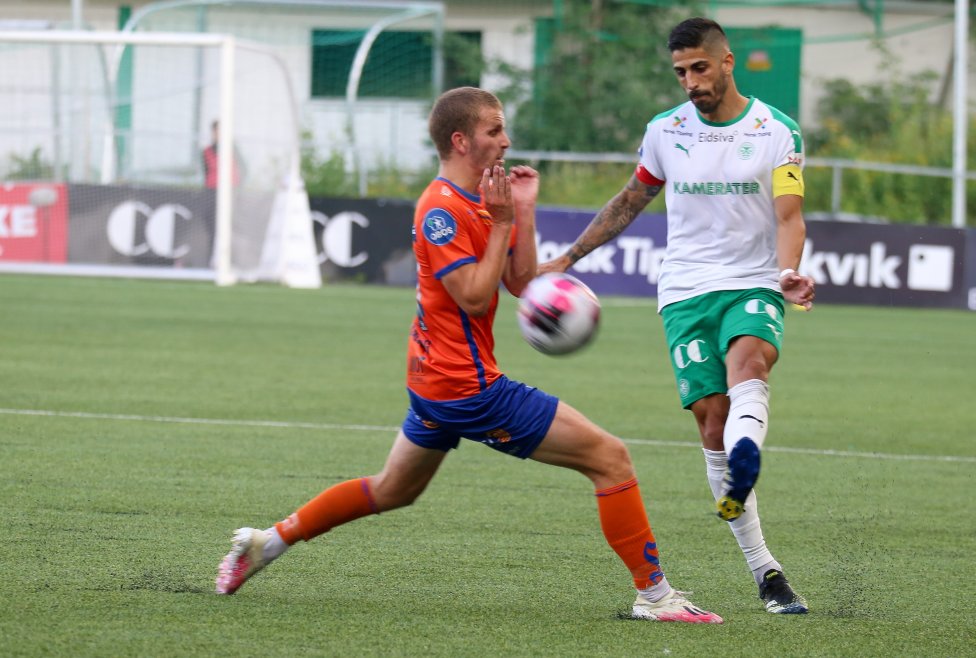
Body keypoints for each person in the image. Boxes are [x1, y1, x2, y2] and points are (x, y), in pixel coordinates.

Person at [215, 86, 722, 624]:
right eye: (494, 130)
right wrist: (502, 222)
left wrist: (521, 210)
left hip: (437, 379)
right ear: (460, 141)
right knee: (610, 458)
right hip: (465, 386)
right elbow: (475, 297)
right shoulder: (440, 210)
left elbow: (522, 283)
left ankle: (266, 543)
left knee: (393, 489)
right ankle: (656, 597)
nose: (506, 140)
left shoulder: (482, 198)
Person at [539, 18, 816, 615]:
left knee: (749, 363)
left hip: (754, 280)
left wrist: (788, 271)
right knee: (713, 425)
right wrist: (568, 257)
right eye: (681, 72)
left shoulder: (777, 130)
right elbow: (630, 200)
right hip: (685, 291)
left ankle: (748, 463)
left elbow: (789, 214)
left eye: (700, 68)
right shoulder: (665, 131)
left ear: (727, 62)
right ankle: (765, 570)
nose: (691, 81)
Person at [201, 120, 243, 189]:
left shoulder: (233, 149)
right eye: (215, 131)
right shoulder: (206, 151)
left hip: (231, 188)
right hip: (212, 189)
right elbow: (206, 173)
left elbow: (242, 168)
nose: (218, 133)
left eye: (220, 131)